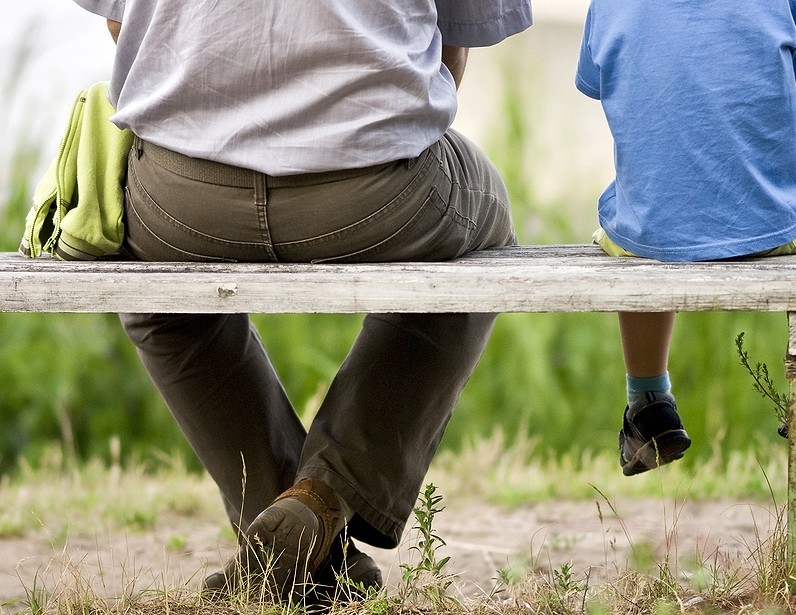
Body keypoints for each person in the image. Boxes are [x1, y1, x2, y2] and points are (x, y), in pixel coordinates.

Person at [70, 0, 531, 603]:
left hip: (182, 200)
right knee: (477, 239)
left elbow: (121, 26)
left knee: (161, 301)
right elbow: (455, 42)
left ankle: (289, 521)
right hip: (375, 196)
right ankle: (324, 497)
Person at [575, 0, 796, 476]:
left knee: (631, 233)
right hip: (774, 223)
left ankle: (648, 401)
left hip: (650, 233)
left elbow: (604, 80)